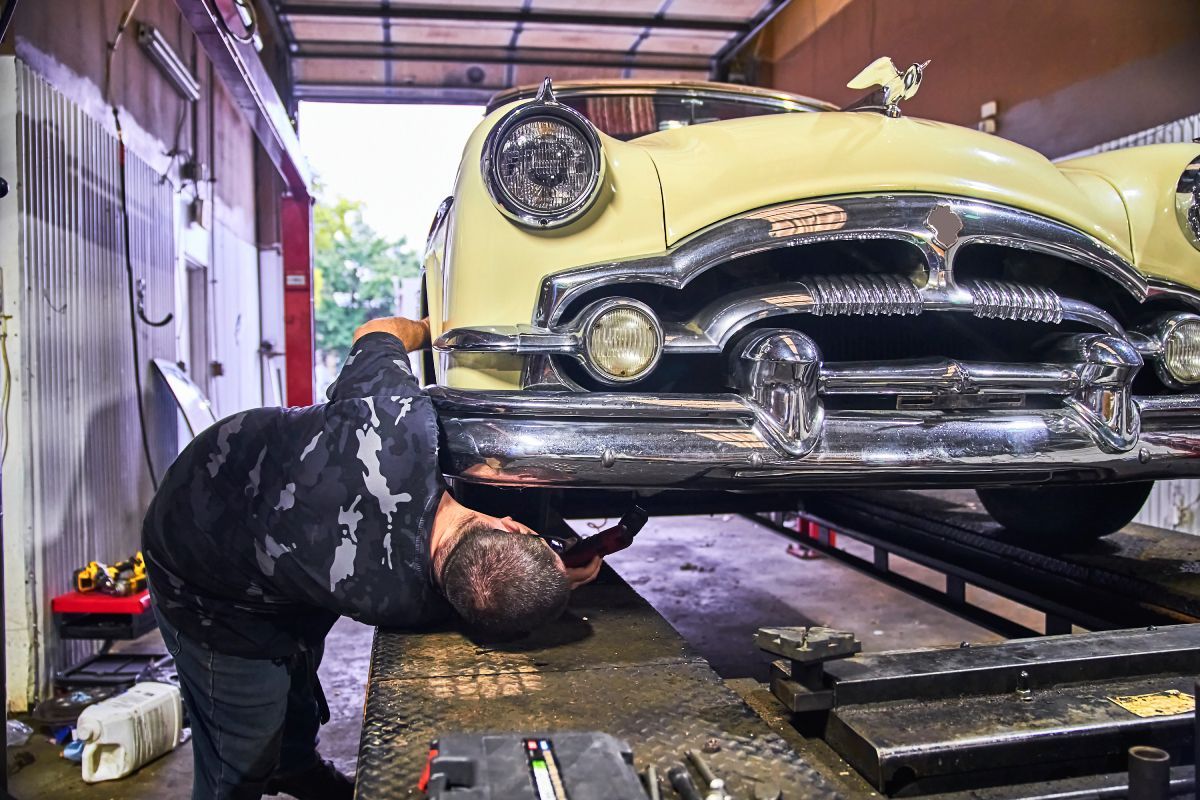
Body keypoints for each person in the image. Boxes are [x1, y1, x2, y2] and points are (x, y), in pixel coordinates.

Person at [142, 316, 601, 800]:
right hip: (199, 552)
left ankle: (295, 769)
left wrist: (438, 326)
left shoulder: (398, 421)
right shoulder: (396, 601)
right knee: (240, 748)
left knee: (292, 672)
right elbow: (483, 594)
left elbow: (375, 330)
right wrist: (548, 578)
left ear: (510, 525)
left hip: (242, 536)